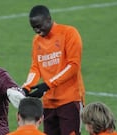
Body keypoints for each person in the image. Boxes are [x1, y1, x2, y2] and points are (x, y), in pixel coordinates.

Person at [22, 5, 85, 135]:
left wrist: (48, 84)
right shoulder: (36, 41)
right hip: (48, 103)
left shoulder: (69, 33)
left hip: (69, 100)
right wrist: (26, 87)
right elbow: (36, 67)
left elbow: (73, 65)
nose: (37, 30)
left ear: (49, 19)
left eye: (39, 26)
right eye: (33, 27)